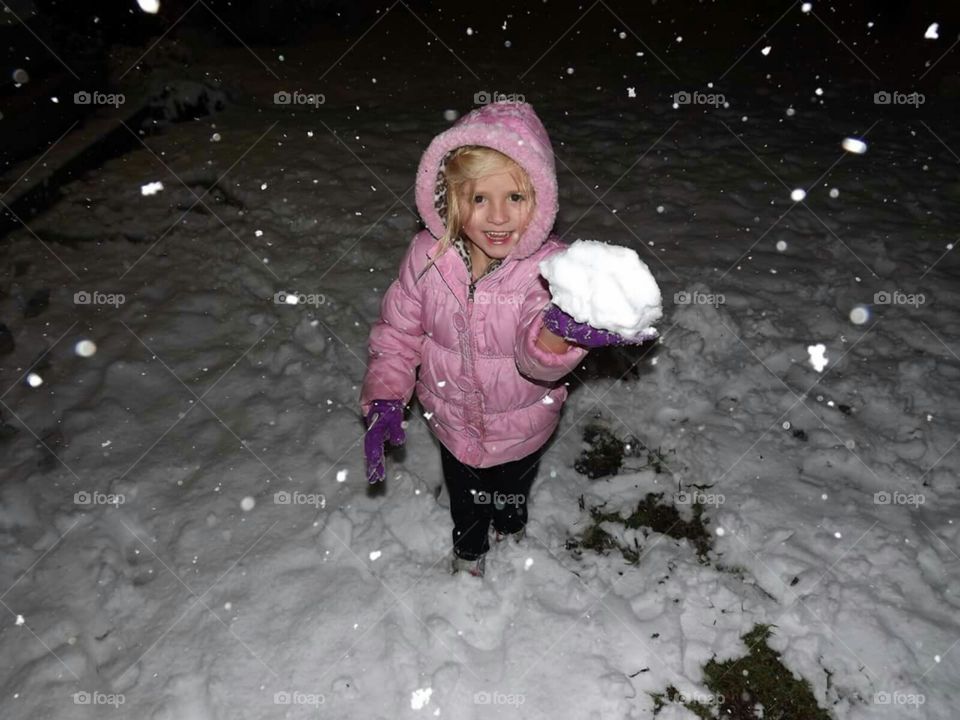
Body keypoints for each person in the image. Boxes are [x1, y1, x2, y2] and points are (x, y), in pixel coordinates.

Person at [360, 102, 647, 578]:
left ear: (541, 200)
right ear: (452, 201)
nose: (498, 217)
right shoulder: (425, 259)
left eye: (515, 197)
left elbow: (536, 362)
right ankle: (469, 553)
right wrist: (387, 396)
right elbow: (397, 334)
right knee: (467, 498)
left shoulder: (551, 270)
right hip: (452, 421)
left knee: (513, 485)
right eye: (479, 199)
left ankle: (512, 523)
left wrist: (559, 332)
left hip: (524, 422)